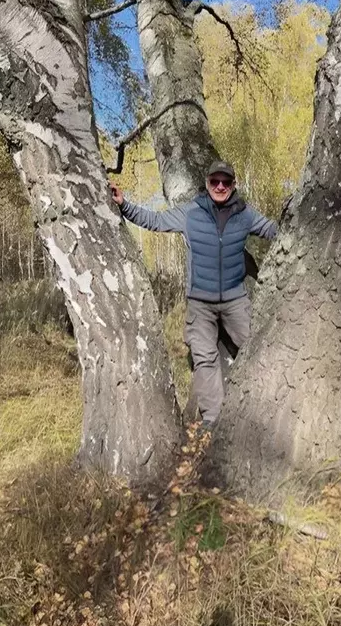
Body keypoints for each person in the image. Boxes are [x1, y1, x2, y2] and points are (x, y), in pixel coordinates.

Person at [110, 160, 277, 427]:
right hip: (200, 303)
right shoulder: (190, 212)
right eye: (215, 181)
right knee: (204, 359)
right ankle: (213, 421)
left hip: (236, 300)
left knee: (255, 348)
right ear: (207, 183)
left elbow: (272, 230)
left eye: (226, 181)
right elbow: (155, 221)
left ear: (234, 185)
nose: (220, 186)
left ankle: (264, 409)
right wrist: (124, 204)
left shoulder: (245, 214)